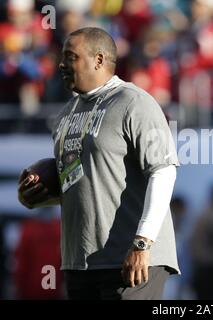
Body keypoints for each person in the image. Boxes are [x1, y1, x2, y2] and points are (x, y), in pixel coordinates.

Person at [17, 27, 180, 300]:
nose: (61, 64)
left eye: (70, 57)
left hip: (132, 260)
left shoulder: (135, 102)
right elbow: (81, 184)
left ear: (99, 60)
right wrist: (35, 197)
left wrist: (142, 243)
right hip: (81, 261)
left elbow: (163, 172)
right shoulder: (66, 114)